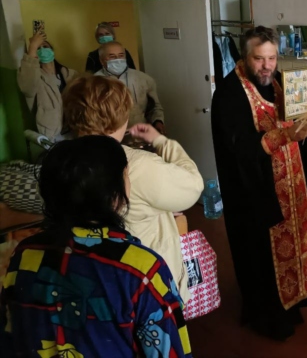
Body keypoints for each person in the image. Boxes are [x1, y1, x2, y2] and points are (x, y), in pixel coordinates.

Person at [0, 135, 192, 357]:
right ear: (115, 195)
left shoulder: (24, 254)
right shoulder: (143, 271)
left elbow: (10, 335)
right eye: (126, 175)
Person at [211, 26, 307, 341]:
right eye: (259, 59)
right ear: (244, 56)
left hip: (290, 186)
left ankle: (294, 302)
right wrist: (285, 135)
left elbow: (294, 117)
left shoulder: (278, 82)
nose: (267, 66)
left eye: (272, 58)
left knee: (294, 246)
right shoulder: (228, 93)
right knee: (261, 257)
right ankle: (269, 318)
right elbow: (239, 148)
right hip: (256, 193)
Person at [63, 75, 204, 302]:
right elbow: (193, 186)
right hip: (144, 278)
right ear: (121, 117)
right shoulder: (136, 165)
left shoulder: (62, 160)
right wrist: (161, 141)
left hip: (89, 276)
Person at [17, 28, 78, 140]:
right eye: (38, 48)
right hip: (51, 134)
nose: (42, 50)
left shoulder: (70, 74)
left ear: (52, 51)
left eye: (45, 46)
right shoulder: (33, 77)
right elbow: (27, 87)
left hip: (74, 129)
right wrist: (32, 46)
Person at [94, 41, 165, 134]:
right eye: (112, 57)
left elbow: (155, 107)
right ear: (102, 60)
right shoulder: (93, 83)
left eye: (121, 55)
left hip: (140, 133)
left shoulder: (144, 79)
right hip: (108, 134)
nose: (118, 60)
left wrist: (158, 121)